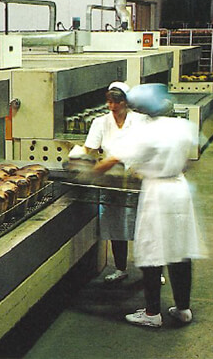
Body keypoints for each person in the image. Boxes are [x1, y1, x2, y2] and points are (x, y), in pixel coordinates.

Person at [93, 83, 204, 328]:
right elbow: (188, 161)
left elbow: (112, 160)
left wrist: (86, 173)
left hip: (157, 193)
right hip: (179, 188)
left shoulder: (145, 133)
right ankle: (183, 309)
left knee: (152, 251)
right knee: (180, 250)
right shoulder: (182, 126)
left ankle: (152, 313)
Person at [69, 81, 149, 283]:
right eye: (110, 102)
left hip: (139, 179)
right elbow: (89, 149)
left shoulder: (140, 121)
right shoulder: (100, 122)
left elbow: (148, 149)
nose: (113, 107)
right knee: (117, 227)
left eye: (117, 102)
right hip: (113, 181)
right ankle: (121, 268)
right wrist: (79, 161)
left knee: (146, 228)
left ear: (126, 102)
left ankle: (152, 272)